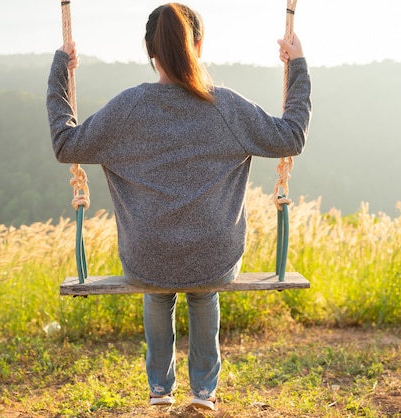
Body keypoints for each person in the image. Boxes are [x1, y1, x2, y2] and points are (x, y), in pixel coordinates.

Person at [47, 3, 311, 411]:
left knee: (157, 289)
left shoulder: (128, 107)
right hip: (214, 255)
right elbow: (291, 136)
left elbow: (66, 144)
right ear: (198, 46)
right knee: (203, 292)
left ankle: (159, 391)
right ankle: (203, 392)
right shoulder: (225, 106)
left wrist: (60, 69)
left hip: (146, 255)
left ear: (150, 51)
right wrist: (298, 66)